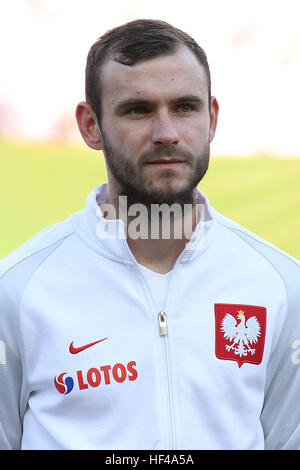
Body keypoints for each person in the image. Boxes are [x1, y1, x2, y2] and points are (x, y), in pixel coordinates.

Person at [0, 19, 299, 451]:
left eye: (185, 107)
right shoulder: (17, 290)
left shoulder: (281, 285)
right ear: (90, 125)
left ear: (212, 118)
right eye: (137, 109)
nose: (166, 134)